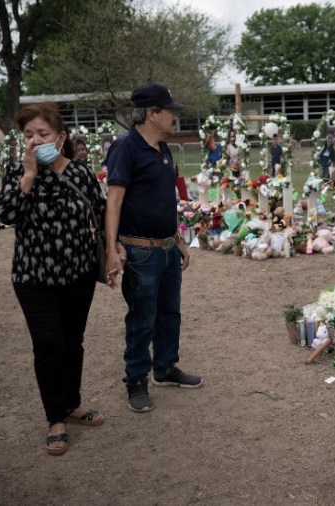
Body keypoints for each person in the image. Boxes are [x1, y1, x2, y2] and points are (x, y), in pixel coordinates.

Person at [0, 102, 109, 456]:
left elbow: (102, 214)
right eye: (28, 135)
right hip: (34, 276)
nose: (34, 141)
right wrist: (28, 176)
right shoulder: (17, 173)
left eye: (42, 134)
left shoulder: (81, 173)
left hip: (79, 275)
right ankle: (55, 418)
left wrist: (114, 253)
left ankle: (72, 404)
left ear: (60, 138)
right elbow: (6, 214)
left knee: (73, 341)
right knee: (48, 345)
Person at [104, 83, 202, 414]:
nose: (174, 116)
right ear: (152, 113)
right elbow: (113, 203)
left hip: (166, 248)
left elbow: (164, 201)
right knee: (142, 319)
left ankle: (165, 368)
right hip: (140, 251)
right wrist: (111, 247)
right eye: (170, 110)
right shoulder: (126, 148)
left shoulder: (163, 148)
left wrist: (177, 240)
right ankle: (136, 380)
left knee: (169, 313)